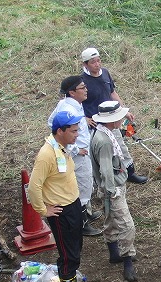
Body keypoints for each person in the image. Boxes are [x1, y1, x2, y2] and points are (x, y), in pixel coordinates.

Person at [28, 111, 84, 282]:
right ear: (60, 131)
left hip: (73, 203)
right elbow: (33, 186)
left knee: (75, 247)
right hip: (61, 211)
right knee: (68, 255)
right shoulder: (46, 155)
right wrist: (43, 210)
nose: (77, 134)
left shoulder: (62, 147)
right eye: (73, 131)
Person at [80, 47, 147, 184]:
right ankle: (103, 180)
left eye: (99, 61)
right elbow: (76, 103)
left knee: (120, 146)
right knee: (102, 153)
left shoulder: (105, 73)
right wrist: (84, 119)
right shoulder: (81, 81)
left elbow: (112, 93)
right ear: (85, 64)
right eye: (93, 62)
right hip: (96, 124)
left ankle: (129, 173)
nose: (97, 64)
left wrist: (123, 111)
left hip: (111, 119)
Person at [89, 101, 138, 282]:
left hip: (111, 186)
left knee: (110, 219)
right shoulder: (104, 142)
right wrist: (112, 190)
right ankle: (127, 261)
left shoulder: (104, 133)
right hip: (112, 188)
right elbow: (106, 170)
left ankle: (113, 253)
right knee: (127, 225)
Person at [47, 75, 102, 236]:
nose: (86, 90)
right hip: (78, 154)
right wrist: (76, 149)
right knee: (83, 185)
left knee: (84, 183)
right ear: (72, 92)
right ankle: (82, 222)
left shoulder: (67, 104)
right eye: (82, 88)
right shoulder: (68, 109)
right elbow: (57, 129)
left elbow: (51, 121)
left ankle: (86, 214)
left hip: (78, 150)